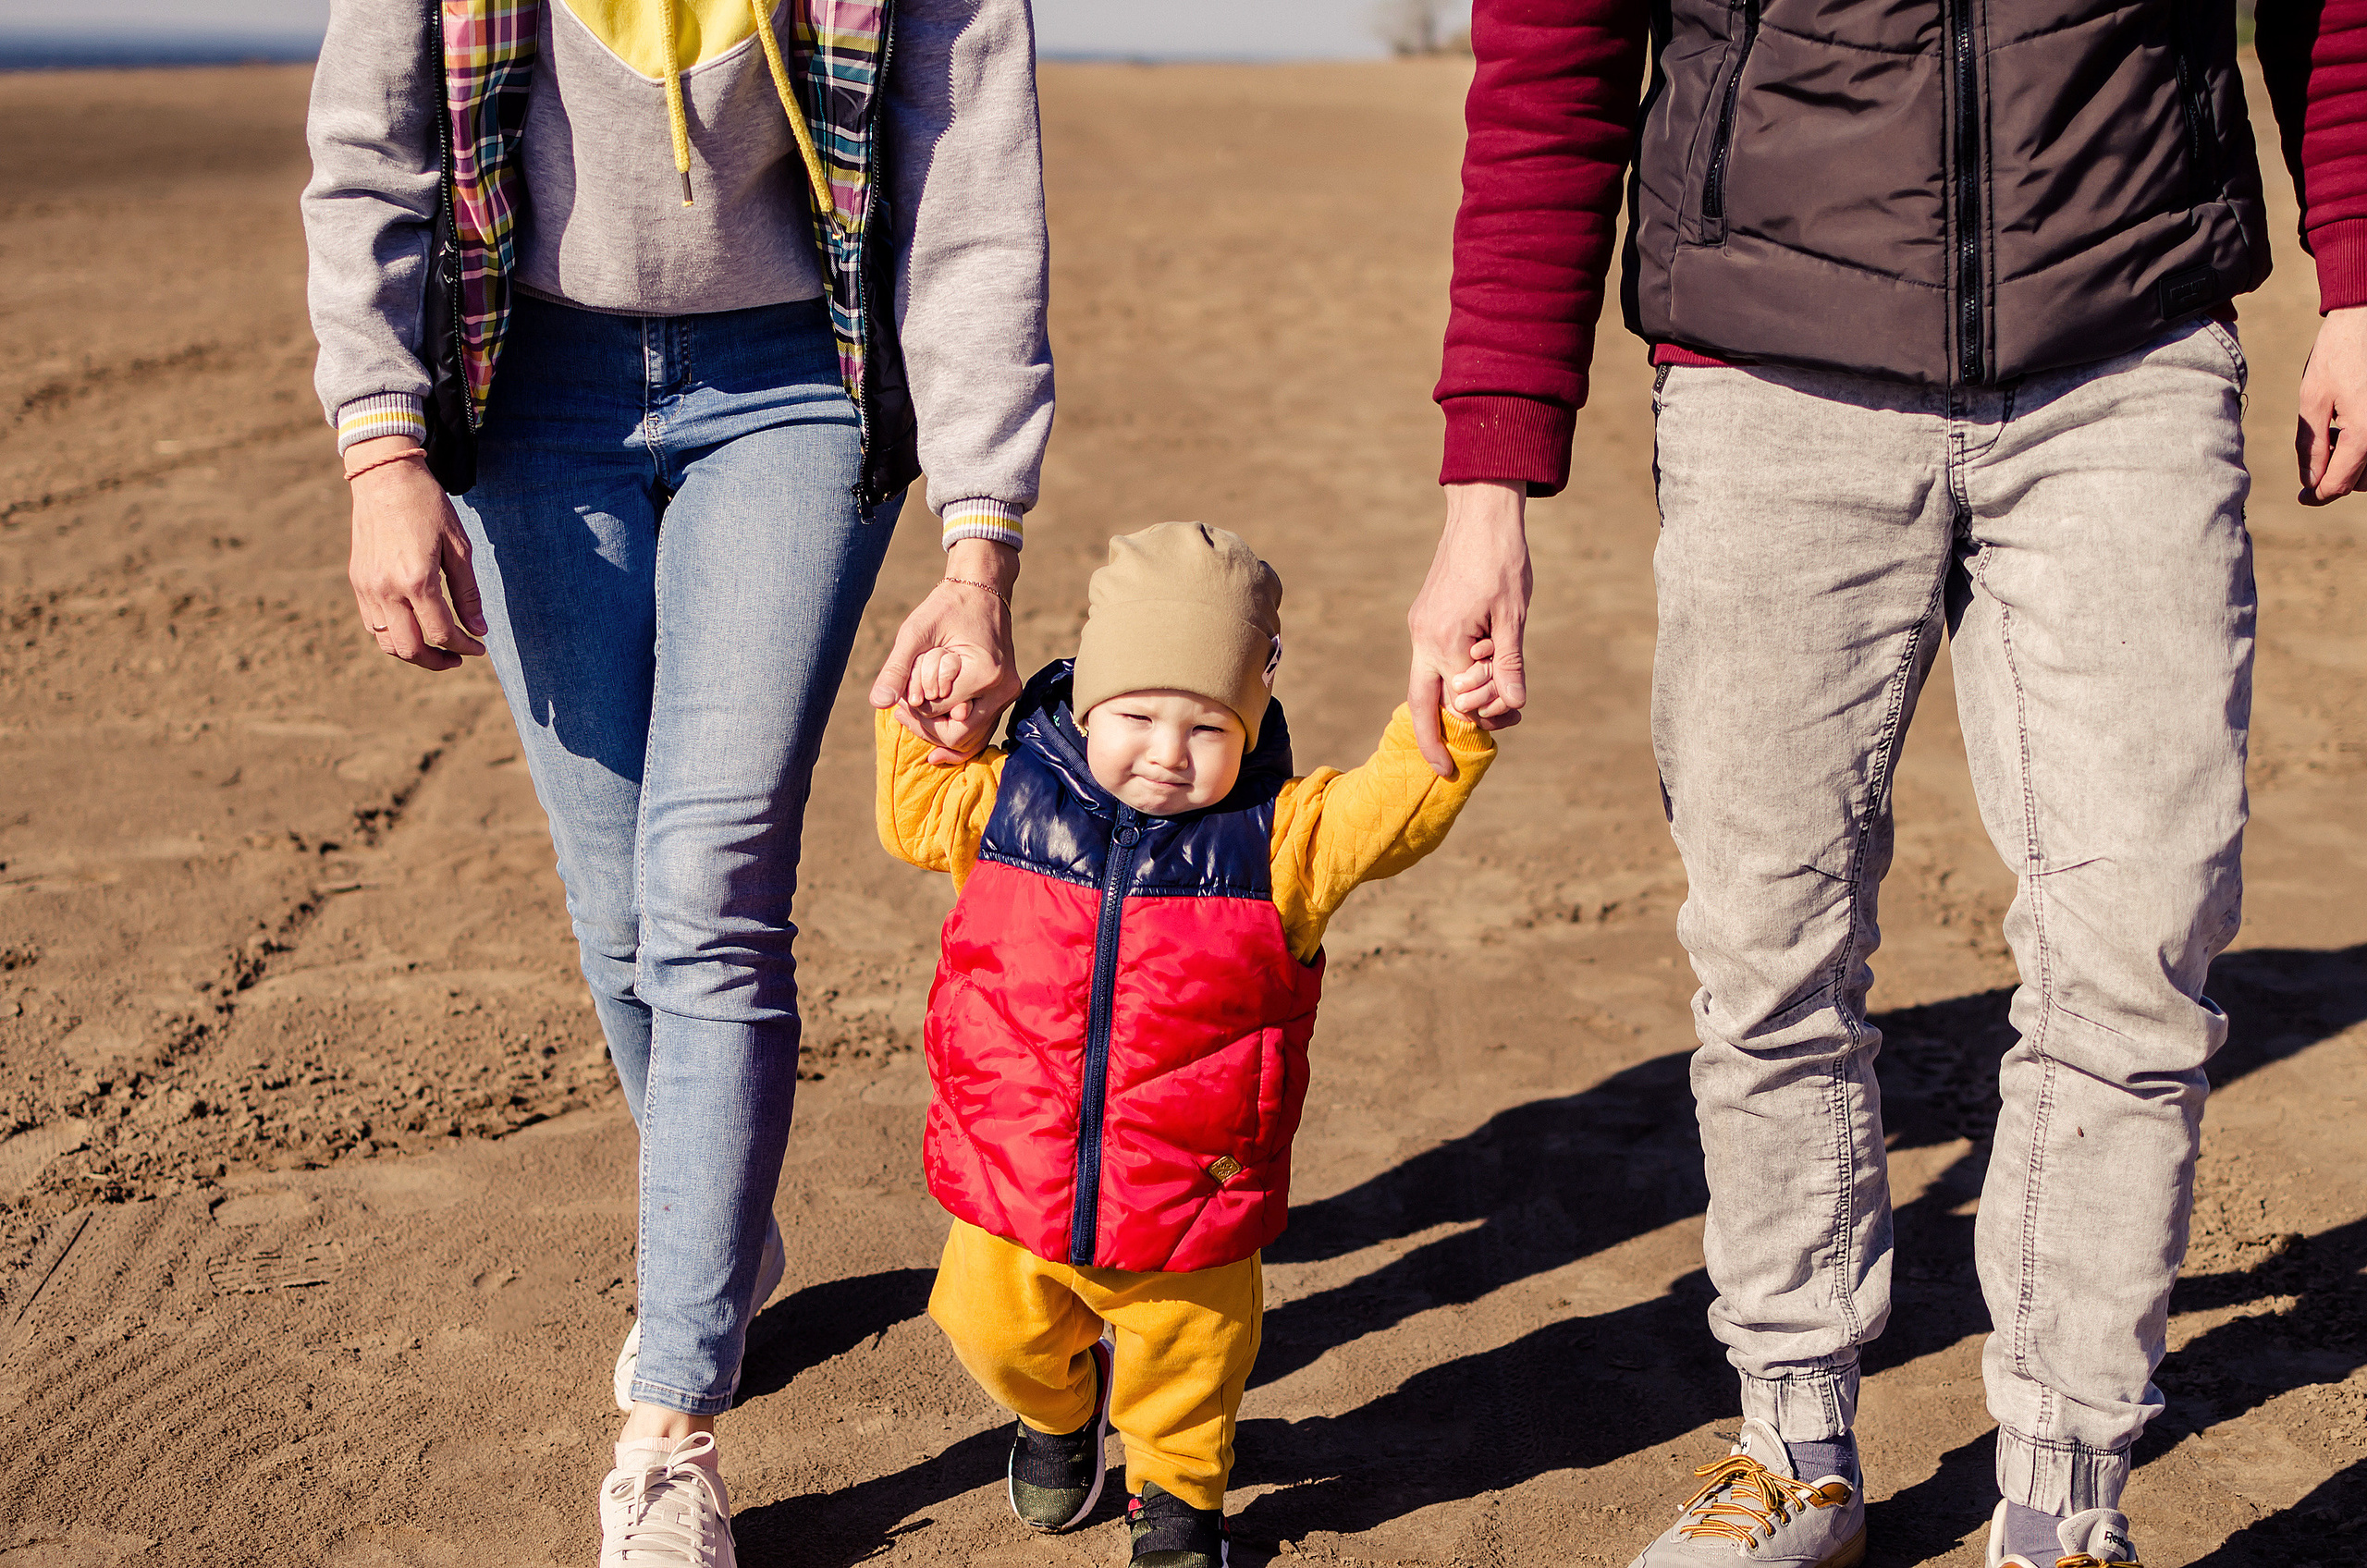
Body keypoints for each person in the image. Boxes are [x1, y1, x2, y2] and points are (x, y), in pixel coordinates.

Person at [1405, 0, 2367, 1563]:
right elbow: (1550, 64)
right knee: (1768, 948)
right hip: (1769, 375)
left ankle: (2065, 1499)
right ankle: (1792, 1447)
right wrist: (1488, 483)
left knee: (2136, 953)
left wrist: (2362, 282)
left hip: (2126, 350)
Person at [300, 0, 1048, 1562]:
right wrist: (383, 454)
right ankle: (726, 1238)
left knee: (710, 886)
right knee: (621, 905)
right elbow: (370, 154)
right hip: (528, 389)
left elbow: (971, 191)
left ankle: (672, 1423)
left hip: (797, 389)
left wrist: (979, 547)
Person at [875, 523, 1496, 1568]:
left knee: (1189, 1370)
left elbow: (1393, 808)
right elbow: (912, 816)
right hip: (1012, 1175)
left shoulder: (1283, 840)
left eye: (1208, 725)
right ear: (1085, 705)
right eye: (1136, 715)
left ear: (1250, 726)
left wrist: (1454, 717)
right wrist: (927, 723)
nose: (1168, 751)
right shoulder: (1006, 801)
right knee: (991, 1328)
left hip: (1189, 1196)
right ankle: (1061, 1411)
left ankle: (1176, 1496)